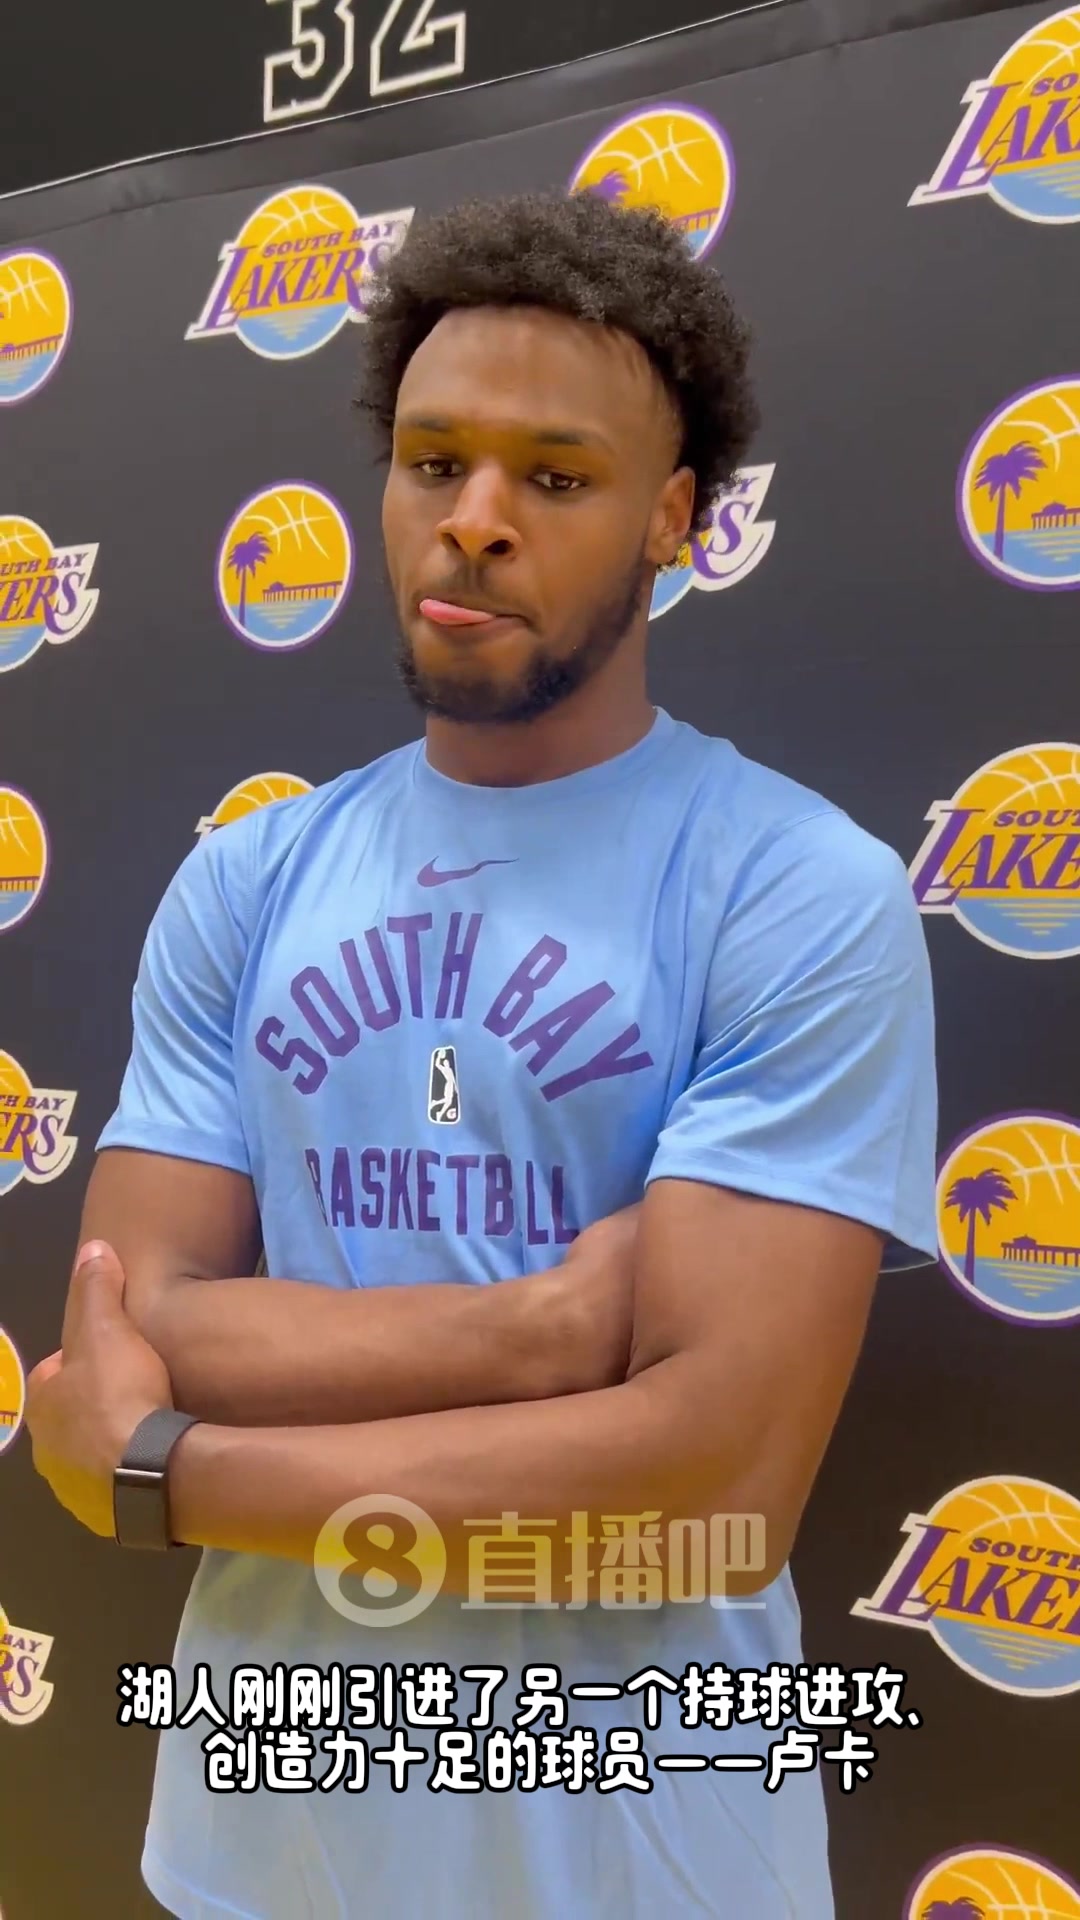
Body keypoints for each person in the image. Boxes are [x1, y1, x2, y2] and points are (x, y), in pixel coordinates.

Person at [26, 188, 938, 1920]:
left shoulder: (791, 887)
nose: (477, 523)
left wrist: (173, 1473)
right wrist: (541, 1332)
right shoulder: (250, 877)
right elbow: (138, 1316)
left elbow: (709, 1490)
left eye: (557, 478)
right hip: (264, 1846)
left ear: (674, 517)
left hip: (643, 1860)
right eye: (434, 462)